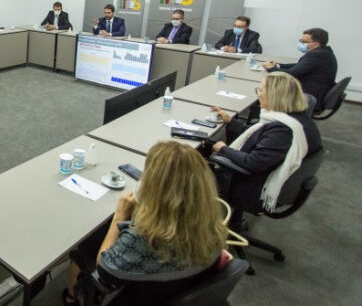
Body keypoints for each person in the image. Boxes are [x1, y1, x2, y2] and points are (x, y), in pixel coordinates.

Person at [65, 141, 228, 305]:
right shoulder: (212, 225)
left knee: (87, 242)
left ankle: (71, 298)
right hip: (179, 288)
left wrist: (119, 216)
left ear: (154, 188)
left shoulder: (143, 239)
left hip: (136, 297)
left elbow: (104, 268)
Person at [210, 72, 322, 216]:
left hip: (251, 187)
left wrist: (223, 148)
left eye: (261, 90)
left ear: (275, 95)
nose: (258, 94)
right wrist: (231, 122)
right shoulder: (297, 119)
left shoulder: (283, 130)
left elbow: (252, 163)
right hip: (268, 177)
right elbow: (260, 138)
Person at [262, 28, 337, 112]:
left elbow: (291, 74)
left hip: (308, 96)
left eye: (304, 42)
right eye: (300, 41)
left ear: (316, 44)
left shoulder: (316, 55)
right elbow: (300, 66)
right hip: (316, 90)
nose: (300, 44)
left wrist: (270, 68)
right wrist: (278, 66)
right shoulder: (324, 52)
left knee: (267, 91)